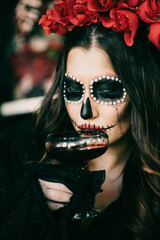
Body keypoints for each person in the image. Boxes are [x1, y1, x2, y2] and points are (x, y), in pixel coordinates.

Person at [0, 0, 160, 240]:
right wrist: (34, 203)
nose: (85, 113)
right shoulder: (21, 149)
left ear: (142, 91)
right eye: (73, 90)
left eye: (107, 90)